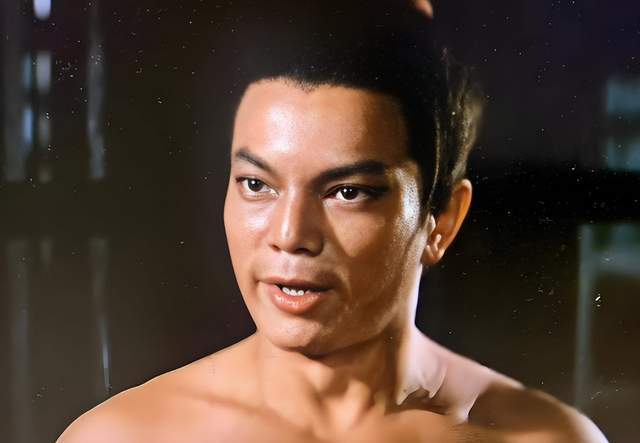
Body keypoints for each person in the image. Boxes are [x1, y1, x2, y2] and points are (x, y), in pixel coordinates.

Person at [57, 1, 608, 441]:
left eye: (347, 192)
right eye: (257, 185)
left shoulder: (542, 438)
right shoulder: (124, 436)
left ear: (442, 218)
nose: (290, 235)